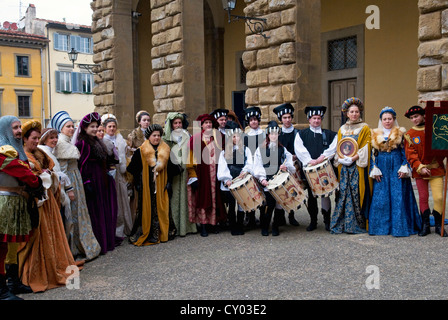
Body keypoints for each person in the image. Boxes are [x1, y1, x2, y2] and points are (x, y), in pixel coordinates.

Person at [18, 120, 84, 293]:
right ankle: (39, 270)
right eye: (33, 138)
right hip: (35, 201)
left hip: (48, 200)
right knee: (38, 236)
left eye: (37, 138)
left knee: (51, 234)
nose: (35, 141)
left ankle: (52, 264)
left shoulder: (39, 153)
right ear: (25, 139)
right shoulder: (22, 155)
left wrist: (49, 176)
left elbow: (51, 170)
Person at [0, 116, 43, 300]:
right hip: (4, 202)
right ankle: (2, 291)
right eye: (14, 128)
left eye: (19, 127)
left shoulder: (15, 150)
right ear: (5, 130)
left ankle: (13, 282)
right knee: (1, 246)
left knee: (12, 245)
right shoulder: (3, 151)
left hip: (16, 201)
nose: (19, 131)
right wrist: (35, 181)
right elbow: (21, 171)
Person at [51, 111, 101, 261]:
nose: (71, 129)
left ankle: (82, 246)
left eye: (72, 126)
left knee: (80, 213)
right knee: (73, 215)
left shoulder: (67, 143)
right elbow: (63, 170)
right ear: (61, 128)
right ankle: (74, 248)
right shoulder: (61, 144)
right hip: (71, 181)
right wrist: (68, 189)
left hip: (76, 179)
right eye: (68, 126)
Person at [368, 107, 422, 237]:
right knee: (381, 198)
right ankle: (381, 228)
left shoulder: (400, 133)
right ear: (381, 120)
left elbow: (406, 152)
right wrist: (374, 167)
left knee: (398, 197)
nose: (387, 121)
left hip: (397, 166)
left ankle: (400, 227)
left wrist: (404, 166)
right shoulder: (375, 134)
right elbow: (372, 154)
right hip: (382, 168)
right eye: (385, 119)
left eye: (390, 119)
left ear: (394, 119)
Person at [73, 112, 119, 254]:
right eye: (91, 127)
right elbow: (82, 165)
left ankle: (106, 240)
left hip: (102, 179)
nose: (94, 129)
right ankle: (99, 241)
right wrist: (86, 182)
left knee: (105, 210)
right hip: (93, 180)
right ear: (85, 128)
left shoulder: (97, 141)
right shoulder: (83, 143)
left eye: (96, 126)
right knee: (96, 211)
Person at [330, 97, 372, 234]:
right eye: (351, 112)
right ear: (346, 114)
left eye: (356, 111)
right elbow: (338, 146)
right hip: (344, 168)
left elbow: (367, 146)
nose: (354, 114)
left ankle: (357, 223)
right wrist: (341, 159)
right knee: (343, 193)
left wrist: (353, 158)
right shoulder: (342, 129)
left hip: (357, 166)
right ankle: (343, 223)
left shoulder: (365, 128)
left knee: (356, 192)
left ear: (360, 113)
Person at [403, 105, 447, 237]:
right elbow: (410, 155)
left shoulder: (435, 130)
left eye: (416, 116)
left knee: (439, 197)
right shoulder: (409, 135)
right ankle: (425, 224)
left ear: (423, 115)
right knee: (423, 198)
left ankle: (439, 224)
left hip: (436, 169)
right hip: (420, 172)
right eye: (411, 118)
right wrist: (420, 167)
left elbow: (441, 147)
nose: (414, 119)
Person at [294, 106, 338, 231]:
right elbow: (299, 149)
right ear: (309, 119)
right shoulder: (301, 134)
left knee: (325, 194)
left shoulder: (330, 134)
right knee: (312, 195)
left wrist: (322, 158)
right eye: (314, 118)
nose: (316, 121)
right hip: (309, 170)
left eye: (318, 118)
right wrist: (310, 161)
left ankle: (327, 221)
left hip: (325, 169)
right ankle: (313, 221)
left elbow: (334, 146)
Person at [127, 124, 171, 245]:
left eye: (158, 135)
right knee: (146, 209)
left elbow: (171, 168)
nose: (156, 138)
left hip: (161, 186)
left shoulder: (165, 149)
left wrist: (168, 182)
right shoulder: (141, 151)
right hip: (146, 187)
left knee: (162, 209)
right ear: (149, 136)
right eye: (154, 135)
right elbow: (131, 168)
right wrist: (138, 182)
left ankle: (162, 233)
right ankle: (148, 234)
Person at [253, 121, 296, 236]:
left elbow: (290, 162)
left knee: (279, 204)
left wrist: (285, 166)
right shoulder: (261, 149)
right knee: (268, 205)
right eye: (271, 134)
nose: (274, 136)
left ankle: (276, 226)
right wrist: (262, 179)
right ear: (268, 135)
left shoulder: (282, 149)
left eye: (276, 134)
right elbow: (257, 165)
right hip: (267, 181)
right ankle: (265, 227)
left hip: (278, 181)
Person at [187, 114, 226, 237]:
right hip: (201, 173)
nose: (208, 125)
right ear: (202, 125)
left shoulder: (218, 137)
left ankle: (213, 223)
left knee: (214, 198)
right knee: (203, 198)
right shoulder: (196, 138)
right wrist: (193, 175)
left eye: (210, 122)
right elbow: (190, 158)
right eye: (206, 123)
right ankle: (203, 225)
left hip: (215, 174)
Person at [162, 112, 197, 237]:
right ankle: (175, 226)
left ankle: (187, 226)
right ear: (171, 125)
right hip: (173, 172)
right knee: (175, 198)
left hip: (186, 170)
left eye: (179, 123)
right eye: (175, 123)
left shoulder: (187, 135)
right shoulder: (165, 138)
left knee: (186, 198)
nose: (178, 125)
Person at [217, 121, 254, 235]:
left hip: (241, 179)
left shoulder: (245, 149)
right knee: (232, 204)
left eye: (238, 136)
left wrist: (245, 171)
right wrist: (226, 179)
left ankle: (240, 224)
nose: (236, 138)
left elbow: (250, 163)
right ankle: (233, 226)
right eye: (233, 136)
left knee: (241, 204)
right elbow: (222, 167)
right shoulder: (224, 152)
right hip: (230, 181)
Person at [38, 128, 73, 240]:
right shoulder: (43, 152)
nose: (55, 140)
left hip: (58, 191)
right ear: (44, 140)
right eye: (51, 138)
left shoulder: (50, 152)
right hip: (52, 194)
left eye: (56, 137)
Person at [102, 114, 134, 239]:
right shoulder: (103, 140)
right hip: (110, 174)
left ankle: (124, 228)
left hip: (120, 174)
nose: (112, 128)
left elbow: (125, 156)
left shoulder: (121, 140)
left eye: (114, 126)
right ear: (105, 128)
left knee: (122, 201)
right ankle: (113, 230)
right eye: (109, 126)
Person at [273, 103, 300, 227]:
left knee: (292, 190)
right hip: (280, 166)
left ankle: (292, 215)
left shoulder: (297, 133)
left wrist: (296, 156)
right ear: (280, 119)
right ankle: (281, 215)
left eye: (289, 117)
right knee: (281, 190)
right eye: (284, 118)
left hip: (294, 166)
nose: (287, 120)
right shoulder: (277, 133)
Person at [126, 110, 151, 226]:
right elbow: (129, 152)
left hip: (150, 166)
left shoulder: (152, 133)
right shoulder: (133, 135)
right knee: (137, 196)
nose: (146, 122)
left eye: (148, 120)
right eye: (144, 120)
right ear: (139, 122)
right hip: (138, 166)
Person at [243, 106, 265, 229]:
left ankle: (263, 218)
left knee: (263, 193)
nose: (254, 122)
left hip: (263, 167)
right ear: (248, 122)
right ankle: (250, 217)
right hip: (251, 167)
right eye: (251, 120)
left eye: (255, 119)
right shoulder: (246, 137)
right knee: (251, 192)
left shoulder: (264, 134)